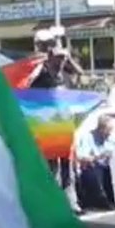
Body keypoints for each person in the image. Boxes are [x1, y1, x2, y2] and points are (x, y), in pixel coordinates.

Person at [29, 30, 84, 212]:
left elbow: (80, 72)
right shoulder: (40, 70)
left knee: (67, 161)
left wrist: (68, 59)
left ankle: (71, 201)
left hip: (64, 122)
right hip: (47, 124)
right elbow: (29, 89)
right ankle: (52, 200)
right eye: (58, 58)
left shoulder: (64, 70)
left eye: (63, 58)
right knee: (51, 162)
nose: (60, 61)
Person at [74, 115, 115, 211]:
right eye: (107, 132)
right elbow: (81, 157)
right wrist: (98, 157)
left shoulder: (111, 137)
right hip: (93, 167)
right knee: (96, 170)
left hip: (108, 166)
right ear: (100, 129)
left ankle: (113, 200)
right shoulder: (88, 137)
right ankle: (100, 200)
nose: (109, 134)